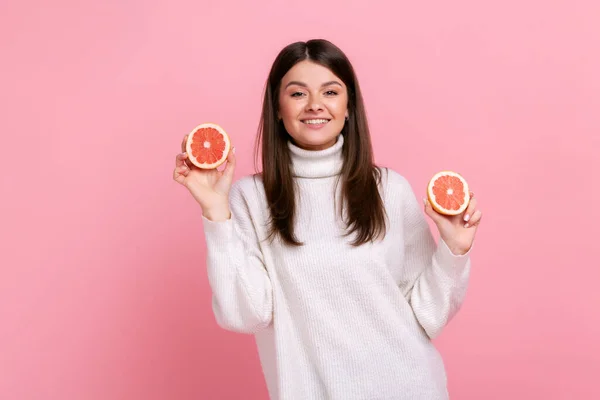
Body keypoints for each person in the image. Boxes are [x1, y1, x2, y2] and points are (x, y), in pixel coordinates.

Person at [173, 39, 482, 400]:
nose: (315, 105)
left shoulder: (389, 189)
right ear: (277, 107)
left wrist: (453, 254)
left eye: (330, 91)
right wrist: (215, 213)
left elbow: (427, 315)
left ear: (349, 106)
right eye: (298, 93)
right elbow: (246, 314)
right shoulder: (250, 199)